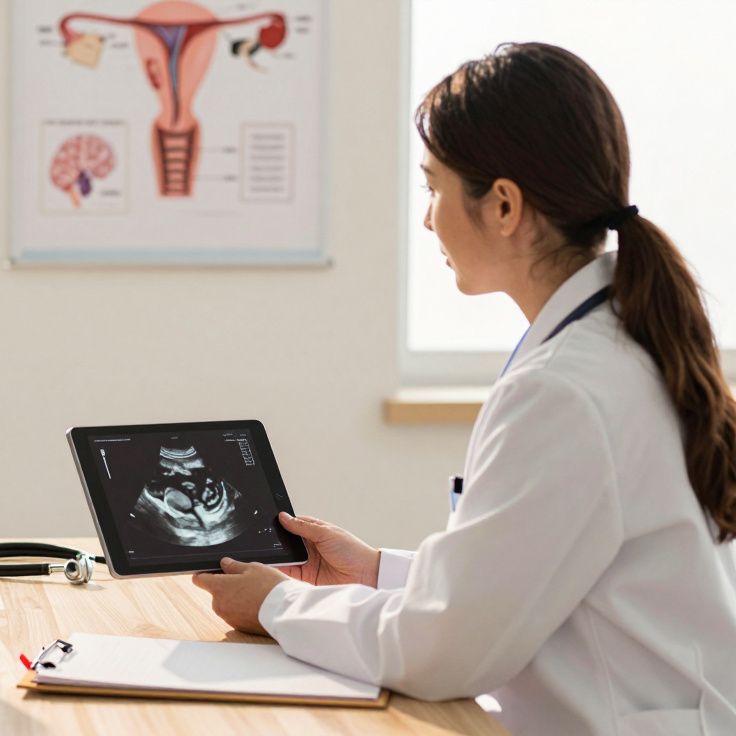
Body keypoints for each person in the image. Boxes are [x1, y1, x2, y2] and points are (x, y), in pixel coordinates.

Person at [192, 43, 736, 734]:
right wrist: (381, 571)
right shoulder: (623, 346)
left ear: (504, 204)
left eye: (433, 188)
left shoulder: (566, 391)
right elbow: (535, 573)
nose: (427, 219)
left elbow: (445, 652)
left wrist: (274, 605)